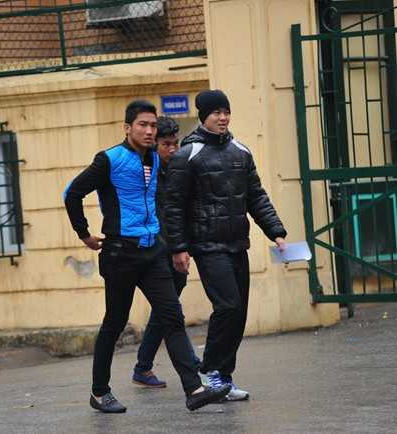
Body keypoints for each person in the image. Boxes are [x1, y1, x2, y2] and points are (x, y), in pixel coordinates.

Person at [63, 100, 230, 413]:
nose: (149, 131)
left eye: (153, 125)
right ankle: (100, 392)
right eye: (143, 125)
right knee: (115, 323)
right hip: (120, 253)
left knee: (172, 316)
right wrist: (84, 234)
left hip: (153, 252)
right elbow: (72, 193)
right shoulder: (109, 159)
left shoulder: (154, 157)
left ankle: (194, 389)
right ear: (128, 128)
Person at [165, 90, 287, 401]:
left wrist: (275, 231)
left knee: (238, 312)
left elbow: (256, 196)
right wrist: (179, 247)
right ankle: (211, 371)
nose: (223, 118)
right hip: (207, 246)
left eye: (226, 112)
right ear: (203, 116)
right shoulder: (188, 154)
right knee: (228, 306)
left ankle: (225, 377)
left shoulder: (240, 151)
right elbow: (174, 205)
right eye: (216, 112)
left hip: (236, 243)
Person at [132, 116, 201, 389]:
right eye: (166, 145)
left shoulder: (176, 169)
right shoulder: (146, 174)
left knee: (164, 311)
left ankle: (143, 366)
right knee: (170, 311)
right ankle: (190, 364)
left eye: (175, 144)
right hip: (158, 250)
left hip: (176, 248)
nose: (172, 149)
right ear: (154, 145)